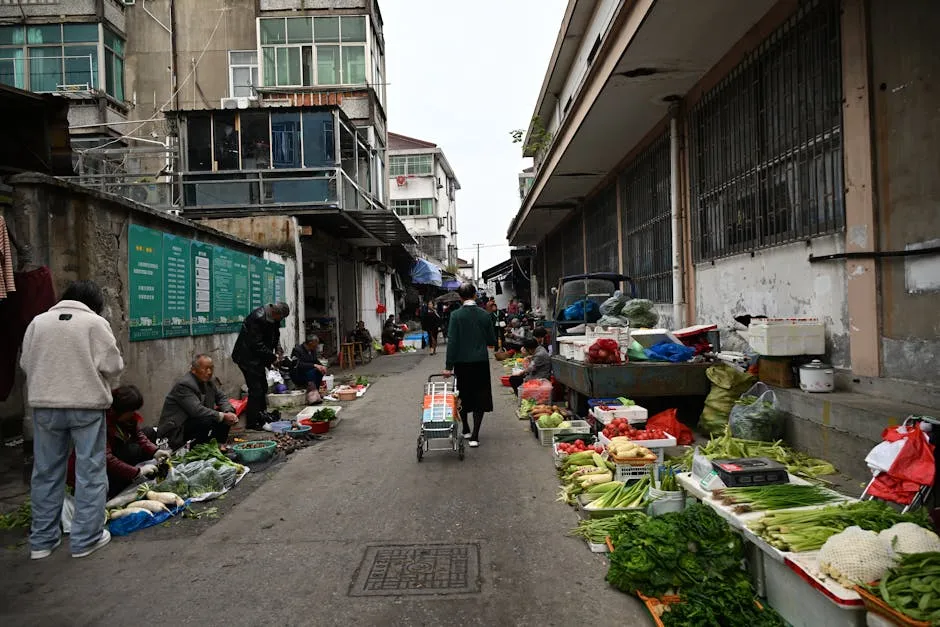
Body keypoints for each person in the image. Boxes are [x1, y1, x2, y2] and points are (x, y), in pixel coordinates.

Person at [20, 279, 124, 559]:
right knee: (89, 471)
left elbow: (25, 363)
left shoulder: (38, 322)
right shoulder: (94, 324)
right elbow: (113, 365)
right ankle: (85, 538)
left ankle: (42, 541)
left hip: (45, 406)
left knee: (45, 472)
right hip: (85, 406)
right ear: (95, 304)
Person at [68, 385, 171, 498]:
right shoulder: (101, 423)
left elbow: (138, 435)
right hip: (89, 472)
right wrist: (137, 472)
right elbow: (107, 459)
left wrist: (155, 451)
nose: (133, 413)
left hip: (109, 461)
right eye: (132, 411)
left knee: (148, 433)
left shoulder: (126, 418)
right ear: (122, 409)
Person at [444, 283, 497, 448]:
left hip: (461, 363)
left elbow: (452, 342)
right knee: (480, 396)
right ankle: (475, 436)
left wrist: (448, 366)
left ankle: (466, 428)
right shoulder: (484, 315)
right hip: (480, 362)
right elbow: (491, 341)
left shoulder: (456, 316)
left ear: (460, 298)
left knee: (463, 395)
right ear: (475, 295)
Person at [157, 355, 238, 449]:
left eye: (211, 368)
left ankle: (218, 444)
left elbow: (221, 397)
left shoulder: (209, 381)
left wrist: (228, 412)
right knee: (210, 418)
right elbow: (197, 411)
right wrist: (222, 416)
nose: (209, 372)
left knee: (227, 413)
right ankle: (198, 447)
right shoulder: (184, 385)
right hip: (178, 429)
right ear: (194, 370)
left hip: (195, 423)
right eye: (205, 369)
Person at [232, 302, 289, 430]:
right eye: (281, 318)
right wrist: (273, 358)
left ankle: (261, 415)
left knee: (263, 386)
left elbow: (275, 335)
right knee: (256, 389)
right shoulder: (257, 318)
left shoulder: (273, 319)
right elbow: (256, 344)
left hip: (257, 358)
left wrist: (278, 350)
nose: (281, 320)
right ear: (276, 313)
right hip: (246, 358)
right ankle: (252, 423)